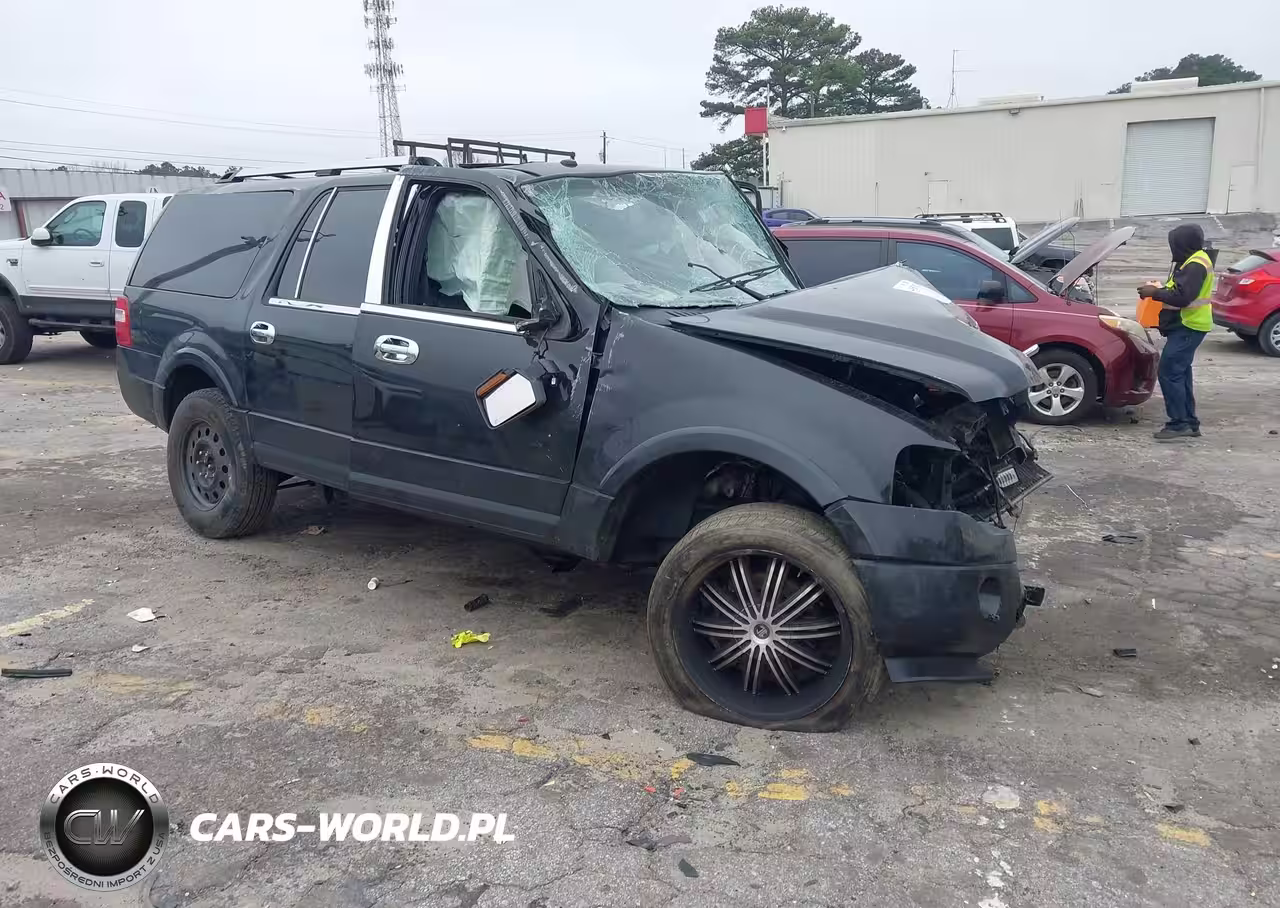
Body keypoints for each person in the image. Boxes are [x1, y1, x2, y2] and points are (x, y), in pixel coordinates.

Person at [1139, 224, 1214, 441]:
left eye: (1174, 243)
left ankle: (1180, 423)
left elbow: (1183, 297)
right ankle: (1189, 422)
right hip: (1187, 326)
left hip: (1189, 326)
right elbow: (1179, 291)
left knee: (1169, 372)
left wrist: (1155, 293)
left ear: (1183, 243)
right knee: (1180, 373)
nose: (1172, 247)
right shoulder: (1192, 260)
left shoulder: (1195, 265)